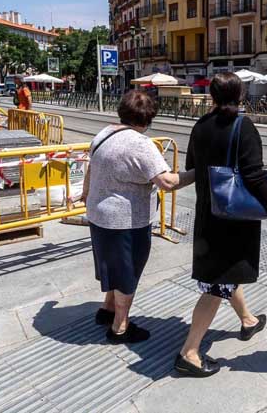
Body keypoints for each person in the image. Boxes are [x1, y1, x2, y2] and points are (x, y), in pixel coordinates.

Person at [176, 72, 267, 377]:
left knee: (226, 273)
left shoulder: (200, 126)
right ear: (240, 95)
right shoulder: (243, 126)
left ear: (212, 96)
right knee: (217, 286)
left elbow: (193, 168)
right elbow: (254, 176)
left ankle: (248, 320)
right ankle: (189, 353)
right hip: (232, 221)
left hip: (208, 216)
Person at [83, 90, 194, 344]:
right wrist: (197, 173)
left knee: (112, 265)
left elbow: (91, 166)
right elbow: (167, 182)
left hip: (98, 214)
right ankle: (120, 327)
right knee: (128, 272)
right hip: (125, 221)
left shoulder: (104, 133)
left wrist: (85, 193)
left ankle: (107, 308)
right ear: (147, 119)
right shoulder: (141, 144)